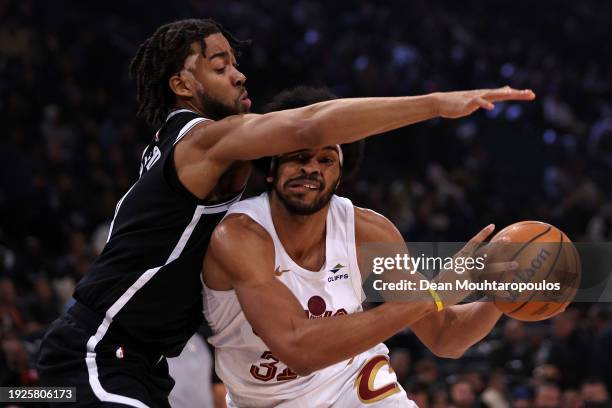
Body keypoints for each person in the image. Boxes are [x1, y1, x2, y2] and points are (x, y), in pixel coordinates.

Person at [37, 17, 534, 407]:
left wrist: (501, 291)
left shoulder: (359, 228)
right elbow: (308, 124)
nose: (239, 73)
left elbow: (445, 336)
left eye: (326, 159)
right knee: (24, 391)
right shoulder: (202, 144)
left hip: (145, 363)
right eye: (219, 65)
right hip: (99, 350)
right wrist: (435, 104)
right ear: (182, 85)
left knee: (25, 393)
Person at [202, 87, 520, 407]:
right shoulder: (239, 236)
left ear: (340, 175)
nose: (311, 167)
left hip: (355, 385)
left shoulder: (368, 234)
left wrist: (498, 298)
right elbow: (299, 349)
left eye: (325, 159)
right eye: (298, 156)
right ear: (271, 170)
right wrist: (431, 296)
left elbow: (444, 337)